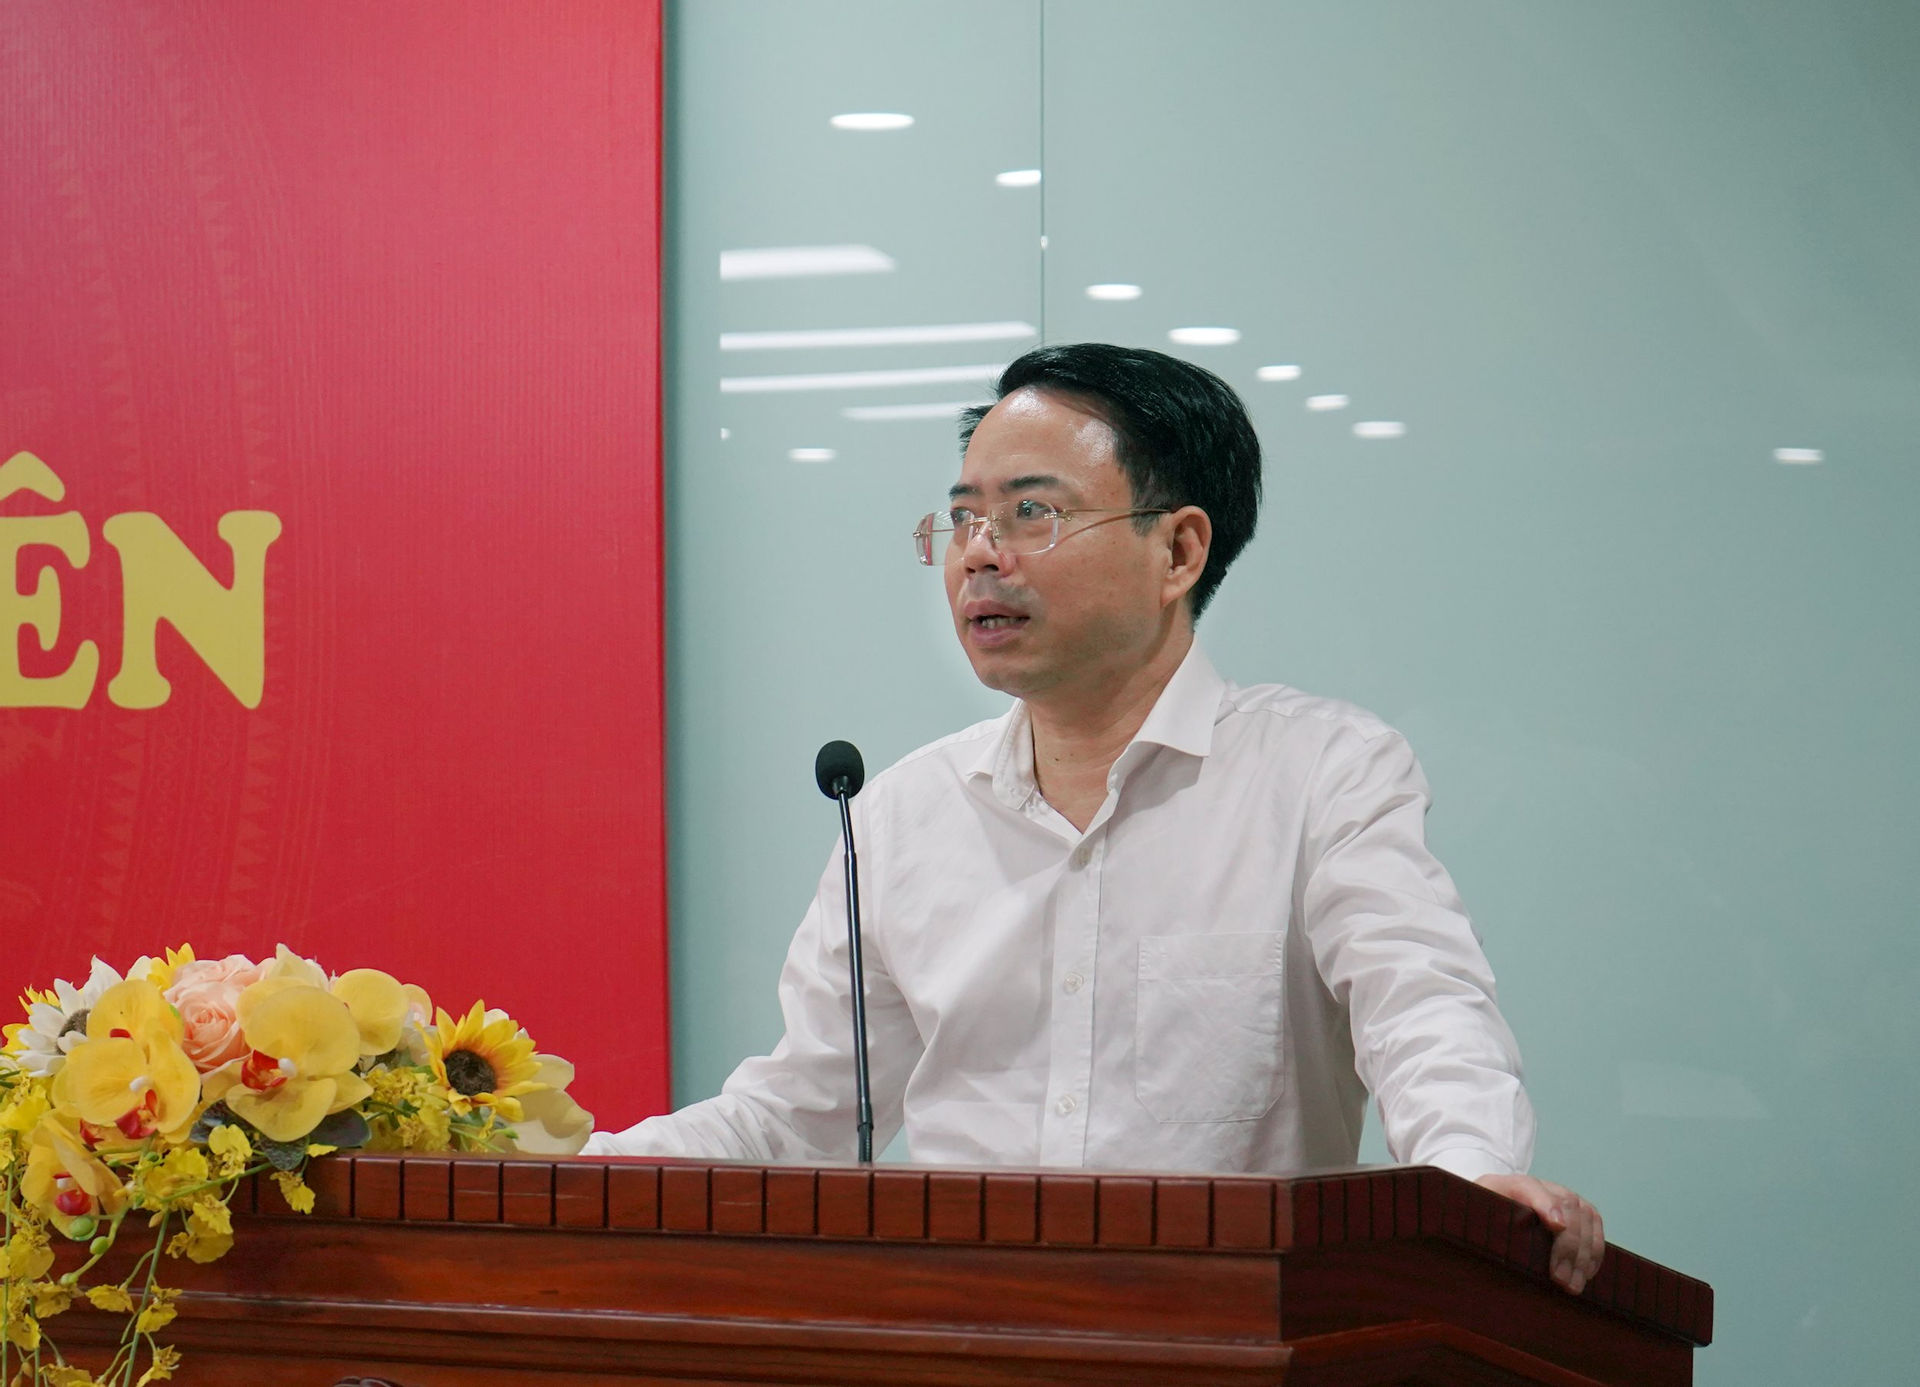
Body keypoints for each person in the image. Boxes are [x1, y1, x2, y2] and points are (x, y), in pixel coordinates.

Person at [587, 342, 1605, 1294]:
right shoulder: (901, 815)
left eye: (1032, 513)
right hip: (960, 1335)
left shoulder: (1319, 774)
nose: (980, 556)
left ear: (1179, 550)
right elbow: (794, 1116)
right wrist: (558, 1166)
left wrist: (1471, 1179)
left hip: (1230, 1331)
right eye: (964, 519)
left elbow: (1422, 1009)